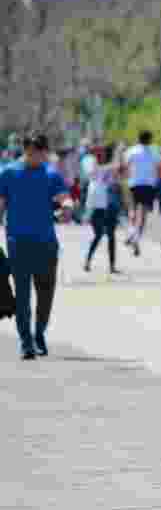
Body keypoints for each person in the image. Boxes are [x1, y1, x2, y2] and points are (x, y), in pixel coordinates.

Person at [0, 133, 73, 360]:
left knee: (45, 293)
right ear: (25, 150)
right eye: (30, 152)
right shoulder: (8, 173)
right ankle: (26, 342)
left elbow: (65, 199)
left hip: (46, 244)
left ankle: (39, 333)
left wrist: (67, 207)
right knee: (22, 295)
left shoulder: (51, 174)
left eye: (39, 153)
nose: (34, 157)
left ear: (44, 152)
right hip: (18, 243)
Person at [123, 130, 161, 257]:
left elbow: (125, 165)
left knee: (132, 211)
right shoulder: (154, 151)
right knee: (144, 213)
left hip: (134, 184)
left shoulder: (132, 151)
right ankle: (136, 238)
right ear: (150, 139)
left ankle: (131, 233)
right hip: (149, 185)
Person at [83, 145, 121, 274]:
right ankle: (87, 261)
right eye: (98, 154)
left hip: (109, 207)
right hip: (96, 207)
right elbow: (94, 172)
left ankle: (112, 266)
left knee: (111, 236)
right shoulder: (92, 167)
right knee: (98, 235)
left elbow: (115, 171)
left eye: (103, 153)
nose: (101, 156)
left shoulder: (109, 169)